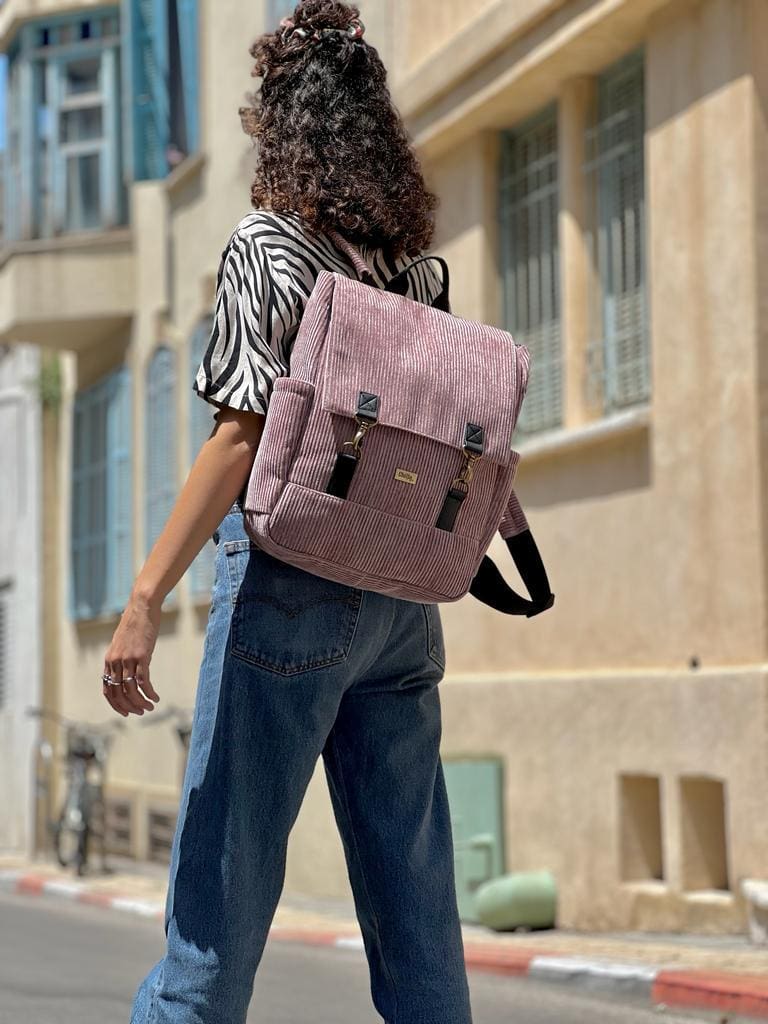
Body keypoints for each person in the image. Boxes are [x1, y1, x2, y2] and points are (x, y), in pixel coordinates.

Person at [105, 3, 473, 1021]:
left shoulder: (269, 249)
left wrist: (144, 597)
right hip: (404, 611)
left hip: (291, 594)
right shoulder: (413, 272)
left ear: (284, 128)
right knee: (419, 923)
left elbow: (237, 436)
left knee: (214, 920)